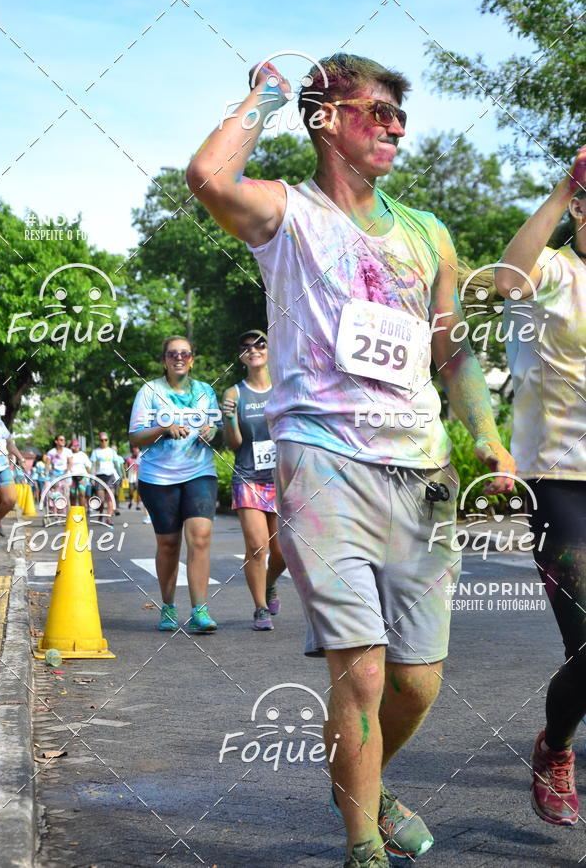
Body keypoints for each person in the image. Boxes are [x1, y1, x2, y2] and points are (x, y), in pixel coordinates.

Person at [187, 53, 515, 868]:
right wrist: (267, 96)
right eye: (376, 111)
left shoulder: (427, 233)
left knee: (416, 683)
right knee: (363, 677)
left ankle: (368, 785)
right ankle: (362, 845)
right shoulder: (286, 215)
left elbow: (455, 356)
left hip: (424, 472)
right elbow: (206, 175)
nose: (395, 126)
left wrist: (490, 440)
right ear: (326, 119)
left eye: (400, 115)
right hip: (322, 463)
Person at [496, 146, 586, 828]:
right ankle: (555, 748)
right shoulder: (554, 269)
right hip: (559, 478)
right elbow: (505, 278)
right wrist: (564, 186)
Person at [129, 336, 221, 633]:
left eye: (184, 353)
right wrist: (163, 429)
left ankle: (200, 610)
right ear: (164, 360)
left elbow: (214, 425)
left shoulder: (205, 392)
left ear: (192, 359)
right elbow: (135, 437)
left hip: (199, 472)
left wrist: (212, 430)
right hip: (159, 478)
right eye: (172, 354)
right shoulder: (150, 391)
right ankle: (168, 607)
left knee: (200, 537)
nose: (179, 358)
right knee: (168, 544)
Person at [223, 329, 286, 631]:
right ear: (241, 355)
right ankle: (260, 608)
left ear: (270, 349)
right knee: (258, 547)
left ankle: (270, 583)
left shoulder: (285, 387)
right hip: (248, 478)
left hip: (283, 479)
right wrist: (229, 419)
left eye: (260, 344)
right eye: (246, 346)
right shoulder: (234, 394)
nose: (254, 349)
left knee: (284, 551)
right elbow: (234, 444)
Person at [0, 397, 23, 548]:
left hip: (3, 466)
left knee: (10, 499)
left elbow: (9, 443)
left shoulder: (0, 424)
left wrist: (20, 458)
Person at [90, 432, 119, 525]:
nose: (103, 442)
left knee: (110, 498)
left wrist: (120, 475)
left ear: (108, 441)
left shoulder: (112, 451)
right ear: (99, 441)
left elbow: (116, 464)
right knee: (101, 499)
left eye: (105, 440)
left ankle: (109, 518)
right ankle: (101, 514)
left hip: (110, 476)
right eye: (101, 440)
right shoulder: (95, 452)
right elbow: (93, 466)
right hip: (100, 476)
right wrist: (91, 477)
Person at [43, 434, 73, 519]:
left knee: (65, 494)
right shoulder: (51, 452)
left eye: (64, 440)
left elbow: (70, 463)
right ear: (56, 441)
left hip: (65, 476)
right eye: (61, 440)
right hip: (54, 476)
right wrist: (45, 474)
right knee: (54, 494)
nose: (63, 441)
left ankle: (65, 512)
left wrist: (66, 471)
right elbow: (47, 464)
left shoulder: (68, 451)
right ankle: (55, 511)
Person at [68, 440, 91, 507]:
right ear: (71, 446)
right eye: (75, 445)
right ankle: (73, 510)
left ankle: (82, 510)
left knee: (81, 494)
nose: (77, 447)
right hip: (71, 477)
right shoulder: (69, 454)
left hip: (82, 477)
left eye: (78, 445)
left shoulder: (82, 455)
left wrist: (90, 477)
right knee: (72, 495)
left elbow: (88, 466)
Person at [124, 445, 142, 510]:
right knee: (131, 491)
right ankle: (131, 501)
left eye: (137, 451)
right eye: (135, 451)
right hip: (131, 478)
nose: (136, 453)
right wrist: (128, 466)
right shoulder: (129, 459)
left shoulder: (140, 459)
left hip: (138, 478)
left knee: (138, 492)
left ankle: (138, 505)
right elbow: (125, 468)